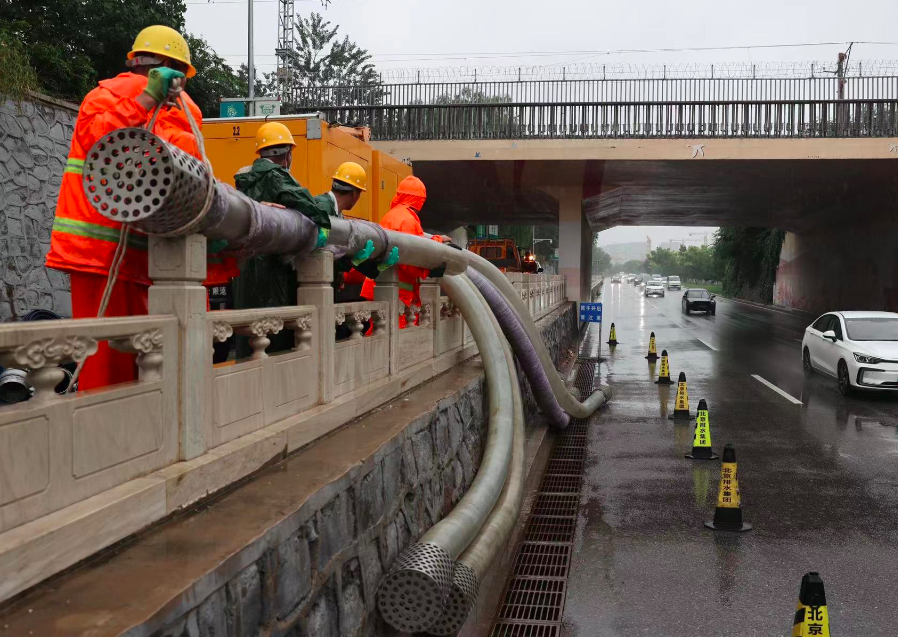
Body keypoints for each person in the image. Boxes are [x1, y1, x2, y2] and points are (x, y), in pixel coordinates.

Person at [45, 25, 238, 390]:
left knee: (106, 367)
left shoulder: (104, 97)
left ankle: (111, 440)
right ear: (176, 70)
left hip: (102, 256)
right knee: (158, 367)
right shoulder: (174, 108)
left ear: (134, 59)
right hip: (137, 256)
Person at [232, 127, 370, 350]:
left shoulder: (245, 182)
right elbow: (305, 202)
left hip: (245, 272)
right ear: (287, 154)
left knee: (249, 339)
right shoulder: (275, 176)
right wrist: (325, 228)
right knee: (275, 339)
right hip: (271, 272)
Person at [360, 176, 445, 328]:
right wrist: (430, 269)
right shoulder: (408, 221)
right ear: (421, 200)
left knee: (379, 332)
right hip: (395, 294)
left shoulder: (393, 215)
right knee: (390, 339)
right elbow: (411, 258)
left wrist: (436, 240)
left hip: (380, 288)